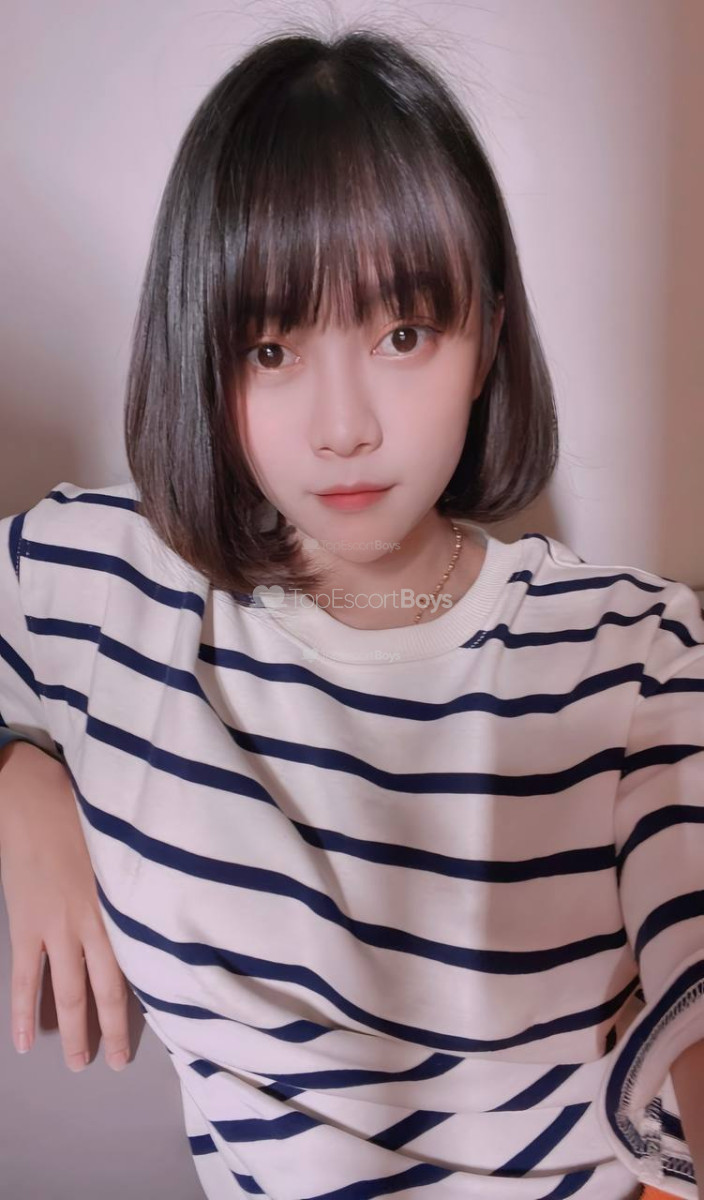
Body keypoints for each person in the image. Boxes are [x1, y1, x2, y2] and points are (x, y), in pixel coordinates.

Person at [0, 24, 702, 1200]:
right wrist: (17, 775)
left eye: (402, 335)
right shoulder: (105, 581)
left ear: (485, 335)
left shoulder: (631, 654)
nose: (343, 429)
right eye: (270, 348)